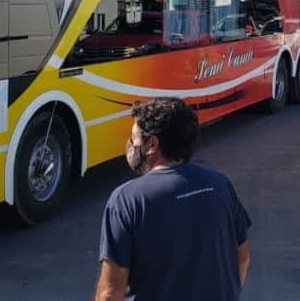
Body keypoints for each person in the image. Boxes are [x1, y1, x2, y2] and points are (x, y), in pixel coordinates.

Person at [95, 98, 252, 301]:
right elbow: (242, 258)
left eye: (134, 140)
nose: (131, 146)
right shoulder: (220, 184)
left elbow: (110, 293)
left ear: (151, 144)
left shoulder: (126, 200)